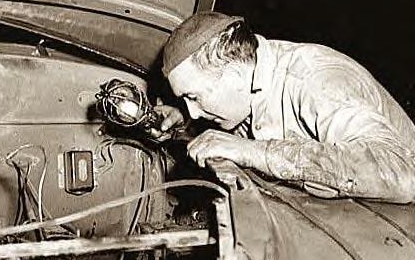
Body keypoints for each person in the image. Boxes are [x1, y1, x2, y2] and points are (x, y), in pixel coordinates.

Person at [153, 11, 415, 203]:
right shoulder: (246, 86)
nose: (193, 111)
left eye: (193, 97)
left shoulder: (315, 81)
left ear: (233, 76)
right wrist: (183, 124)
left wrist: (254, 152)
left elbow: (401, 173)